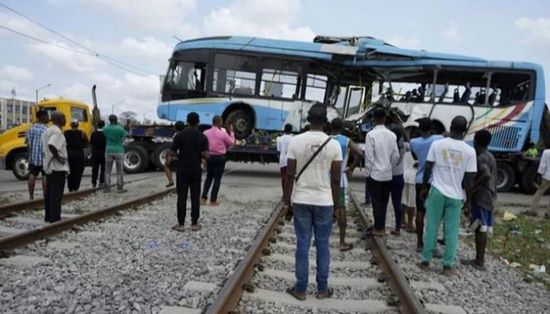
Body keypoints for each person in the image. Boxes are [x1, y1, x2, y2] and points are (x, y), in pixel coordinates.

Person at [283, 103, 342, 301]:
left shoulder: (295, 141)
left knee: (302, 243)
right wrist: (336, 205)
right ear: (325, 121)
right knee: (323, 244)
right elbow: (335, 180)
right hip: (324, 201)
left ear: (308, 120)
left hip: (301, 199)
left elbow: (289, 174)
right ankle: (322, 289)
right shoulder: (334, 145)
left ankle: (300, 289)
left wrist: (286, 202)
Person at [418, 116, 477, 276]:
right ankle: (448, 265)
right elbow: (469, 179)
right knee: (451, 231)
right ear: (465, 130)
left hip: (437, 191)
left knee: (432, 227)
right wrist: (469, 201)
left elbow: (428, 167)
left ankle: (425, 260)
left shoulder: (437, 144)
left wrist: (424, 187)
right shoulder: (470, 151)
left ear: (450, 126)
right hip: (456, 195)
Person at [463, 130, 497, 270]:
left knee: (480, 228)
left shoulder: (481, 158)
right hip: (489, 196)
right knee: (481, 227)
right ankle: (479, 259)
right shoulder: (490, 156)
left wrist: (473, 187)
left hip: (482, 196)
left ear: (476, 141)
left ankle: (479, 261)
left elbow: (486, 174)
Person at [170, 113, 209, 232]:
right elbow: (206, 155)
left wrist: (178, 157)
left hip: (182, 169)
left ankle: (181, 224)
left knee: (181, 197)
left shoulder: (179, 135)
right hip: (196, 169)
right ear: (198, 122)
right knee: (195, 196)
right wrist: (201, 155)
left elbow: (172, 153)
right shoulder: (202, 137)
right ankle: (194, 223)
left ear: (187, 121)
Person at [410, 118, 444, 251]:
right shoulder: (438, 139)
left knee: (420, 211)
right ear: (432, 129)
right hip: (434, 181)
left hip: (419, 180)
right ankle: (432, 245)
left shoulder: (413, 142)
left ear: (419, 129)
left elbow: (415, 157)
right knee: (434, 214)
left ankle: (419, 243)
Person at [364, 108, 400, 236]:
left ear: (374, 119)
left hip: (375, 174)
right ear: (384, 119)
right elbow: (396, 155)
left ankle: (378, 228)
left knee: (376, 202)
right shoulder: (392, 135)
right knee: (384, 202)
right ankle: (381, 226)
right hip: (387, 174)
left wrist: (367, 173)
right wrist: (389, 165)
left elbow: (369, 156)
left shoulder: (370, 135)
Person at [331, 117, 363, 251]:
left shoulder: (327, 140)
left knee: (325, 210)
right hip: (341, 179)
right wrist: (351, 168)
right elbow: (360, 153)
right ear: (342, 127)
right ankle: (342, 241)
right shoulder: (346, 140)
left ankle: (318, 239)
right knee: (342, 209)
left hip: (326, 179)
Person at [201, 115, 235, 206]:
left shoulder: (205, 133)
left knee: (208, 177)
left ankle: (203, 198)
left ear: (212, 122)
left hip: (209, 157)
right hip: (220, 158)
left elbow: (202, 146)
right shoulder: (222, 133)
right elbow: (231, 143)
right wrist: (231, 132)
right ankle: (213, 200)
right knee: (217, 179)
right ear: (220, 122)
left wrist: (203, 158)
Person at [43, 112, 69, 223]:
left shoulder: (48, 130)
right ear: (59, 119)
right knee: (56, 194)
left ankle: (48, 216)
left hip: (49, 166)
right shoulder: (58, 132)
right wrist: (59, 157)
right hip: (57, 167)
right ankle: (55, 218)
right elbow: (52, 145)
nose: (65, 119)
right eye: (64, 117)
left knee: (49, 194)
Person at [25, 110, 48, 200]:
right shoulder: (46, 129)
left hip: (33, 157)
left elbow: (27, 144)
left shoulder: (31, 129)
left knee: (32, 175)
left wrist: (30, 155)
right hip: (44, 157)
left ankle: (31, 196)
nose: (47, 118)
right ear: (42, 117)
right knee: (45, 176)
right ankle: (45, 196)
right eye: (46, 116)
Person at [103, 114, 128, 193]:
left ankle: (107, 187)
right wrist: (120, 141)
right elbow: (125, 136)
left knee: (107, 170)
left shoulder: (105, 128)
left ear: (109, 120)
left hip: (109, 150)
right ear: (116, 120)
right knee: (119, 170)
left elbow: (105, 136)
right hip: (119, 150)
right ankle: (120, 187)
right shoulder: (120, 129)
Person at [389, 124, 406, 235]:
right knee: (397, 202)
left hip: (387, 175)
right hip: (399, 176)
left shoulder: (389, 144)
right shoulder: (404, 145)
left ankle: (379, 225)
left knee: (382, 201)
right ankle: (398, 227)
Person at [528, 142, 550, 218]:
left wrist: (540, 174)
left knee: (539, 192)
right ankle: (548, 213)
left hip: (547, 177)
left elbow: (542, 165)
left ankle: (532, 210)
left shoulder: (546, 152)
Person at [64, 119, 87, 192]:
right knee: (78, 171)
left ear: (70, 125)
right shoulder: (82, 133)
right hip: (79, 154)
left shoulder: (66, 133)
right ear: (78, 125)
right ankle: (76, 187)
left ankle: (70, 187)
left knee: (70, 172)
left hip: (69, 154)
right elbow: (86, 143)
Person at [164, 121, 186, 188]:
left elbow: (174, 149)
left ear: (176, 128)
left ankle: (171, 181)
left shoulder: (176, 135)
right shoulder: (187, 134)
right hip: (189, 157)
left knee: (166, 165)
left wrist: (169, 157)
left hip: (180, 158)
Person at [276, 123, 293, 194]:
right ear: (291, 130)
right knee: (289, 179)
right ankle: (287, 194)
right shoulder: (293, 139)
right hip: (290, 160)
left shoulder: (279, 139)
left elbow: (279, 150)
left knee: (283, 178)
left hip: (282, 160)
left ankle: (284, 193)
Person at [90, 120, 106, 188]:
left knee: (95, 168)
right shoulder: (105, 134)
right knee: (103, 168)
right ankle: (101, 182)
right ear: (104, 125)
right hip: (103, 152)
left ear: (97, 125)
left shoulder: (93, 133)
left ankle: (94, 182)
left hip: (95, 152)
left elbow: (91, 143)